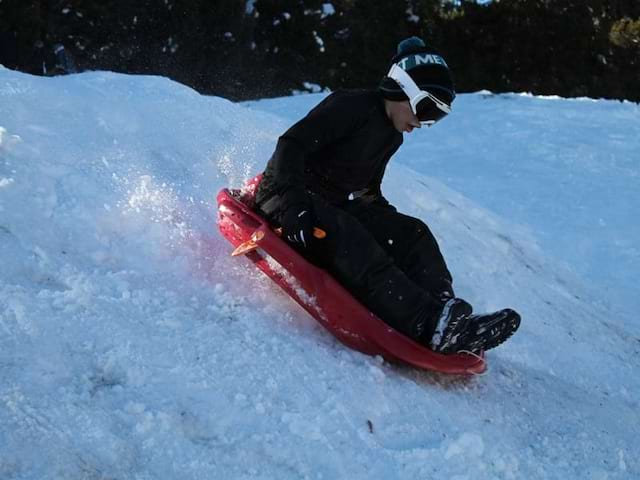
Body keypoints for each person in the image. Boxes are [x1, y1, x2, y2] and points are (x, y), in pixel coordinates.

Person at [255, 37, 520, 354]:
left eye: (436, 117)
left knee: (412, 233)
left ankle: (445, 314)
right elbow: (291, 146)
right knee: (353, 236)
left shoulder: (391, 136)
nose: (424, 123)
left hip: (332, 208)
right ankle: (425, 322)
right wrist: (292, 204)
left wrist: (389, 225)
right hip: (285, 199)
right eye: (425, 109)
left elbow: (367, 191)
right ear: (402, 87)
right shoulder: (350, 106)